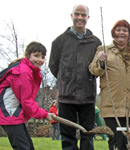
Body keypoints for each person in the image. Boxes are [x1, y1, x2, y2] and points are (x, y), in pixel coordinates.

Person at [89, 20, 130, 150]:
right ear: (113, 33)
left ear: (129, 34)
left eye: (125, 30)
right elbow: (94, 70)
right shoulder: (103, 50)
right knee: (116, 142)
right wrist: (101, 61)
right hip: (112, 106)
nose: (121, 32)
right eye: (118, 29)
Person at [49, 4, 102, 150]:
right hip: (66, 97)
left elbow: (99, 67)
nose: (80, 17)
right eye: (77, 14)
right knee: (67, 138)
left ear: (88, 18)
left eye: (83, 15)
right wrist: (65, 80)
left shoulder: (96, 42)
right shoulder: (59, 42)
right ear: (71, 16)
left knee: (88, 135)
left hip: (88, 97)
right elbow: (54, 66)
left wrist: (88, 78)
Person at [0, 41, 54, 150]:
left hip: (14, 113)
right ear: (27, 55)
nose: (40, 60)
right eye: (36, 55)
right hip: (9, 113)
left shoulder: (29, 70)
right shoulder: (23, 72)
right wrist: (44, 114)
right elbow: (27, 102)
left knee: (28, 147)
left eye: (43, 57)